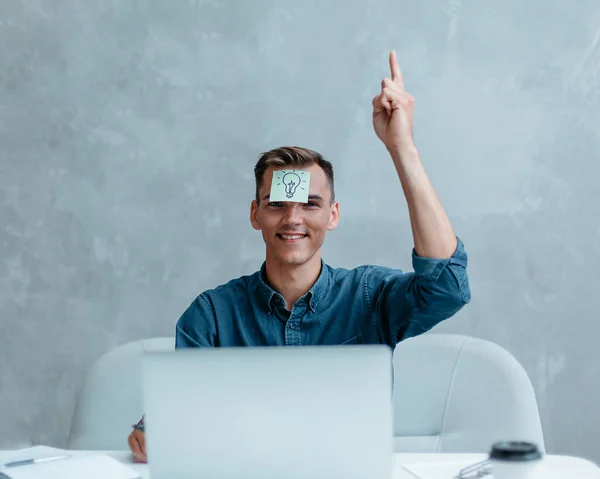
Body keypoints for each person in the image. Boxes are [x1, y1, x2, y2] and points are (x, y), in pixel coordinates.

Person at [128, 51, 471, 462]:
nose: (293, 219)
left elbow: (447, 287)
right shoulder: (212, 315)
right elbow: (175, 414)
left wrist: (403, 148)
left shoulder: (369, 297)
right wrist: (157, 429)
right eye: (278, 204)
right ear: (256, 214)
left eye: (309, 204)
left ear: (333, 214)